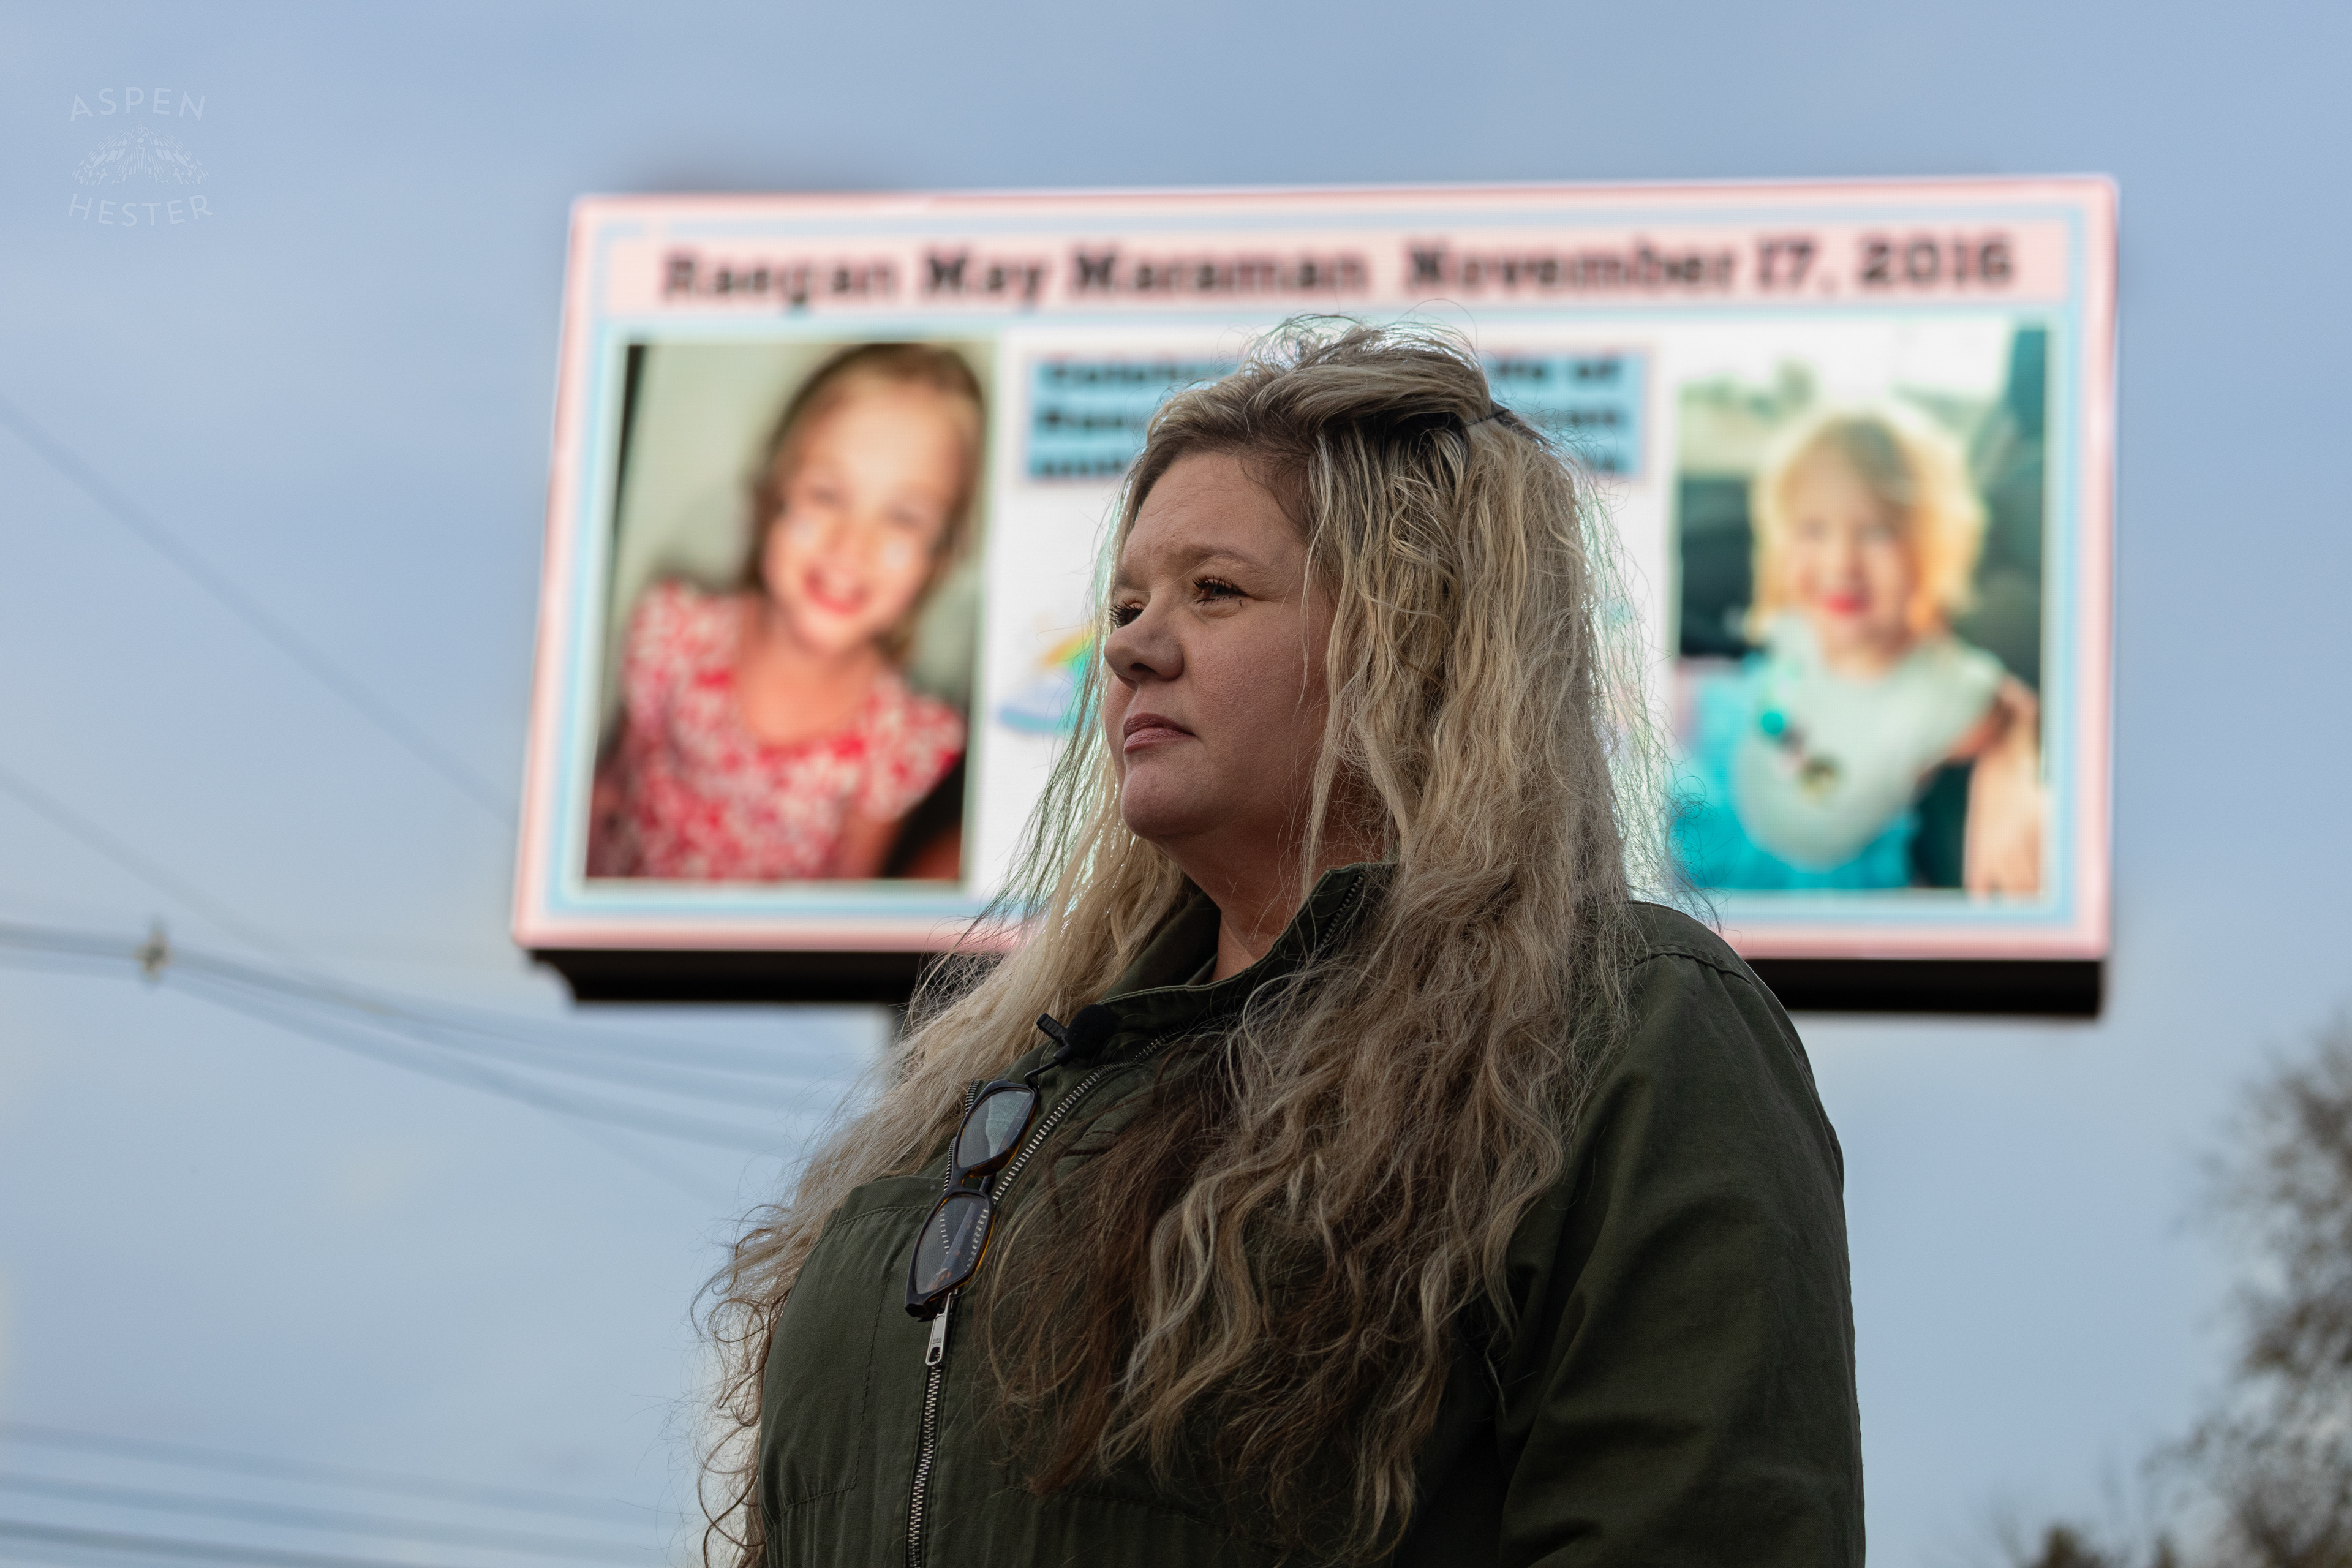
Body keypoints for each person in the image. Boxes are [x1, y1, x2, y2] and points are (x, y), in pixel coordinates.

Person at [705, 323, 1862, 1566]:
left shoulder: (1625, 1024)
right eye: (1129, 601)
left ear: (1408, 645)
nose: (1136, 645)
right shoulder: (1001, 1097)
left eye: (1216, 590)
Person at [587, 343, 977, 882]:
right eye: (826, 495)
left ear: (938, 560)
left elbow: (845, 913)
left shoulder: (898, 742)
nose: (851, 544)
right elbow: (605, 793)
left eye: (904, 518)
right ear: (771, 495)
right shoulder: (677, 634)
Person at [1676, 405, 2043, 895]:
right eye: (1813, 529)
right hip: (1737, 788)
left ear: (1928, 547)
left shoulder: (1940, 688)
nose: (1840, 561)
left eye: (1876, 532)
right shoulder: (1804, 622)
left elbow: (2010, 709)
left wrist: (2010, 776)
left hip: (1809, 876)